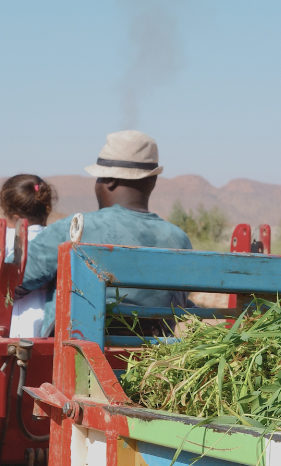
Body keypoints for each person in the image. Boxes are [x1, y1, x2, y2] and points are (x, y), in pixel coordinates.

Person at [15, 130, 192, 335]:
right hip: (151, 358)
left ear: (109, 180)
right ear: (152, 181)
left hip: (77, 354)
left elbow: (13, 279)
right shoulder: (179, 239)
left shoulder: (75, 227)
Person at [0, 174, 57, 337]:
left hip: (12, 325)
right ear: (47, 208)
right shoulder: (56, 238)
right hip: (49, 324)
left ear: (14, 217)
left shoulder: (7, 238)